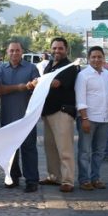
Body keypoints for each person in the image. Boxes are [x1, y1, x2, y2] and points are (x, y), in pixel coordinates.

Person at [0, 41, 40, 192]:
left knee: (29, 149)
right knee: (10, 149)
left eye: (17, 50)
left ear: (22, 52)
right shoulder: (1, 69)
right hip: (8, 116)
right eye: (11, 51)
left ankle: (31, 180)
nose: (14, 53)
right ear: (7, 52)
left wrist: (34, 85)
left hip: (27, 117)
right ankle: (12, 178)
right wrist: (20, 87)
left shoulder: (31, 68)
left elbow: (38, 87)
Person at [40, 37, 81, 193]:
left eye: (60, 48)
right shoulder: (50, 65)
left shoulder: (70, 67)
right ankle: (54, 176)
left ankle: (67, 180)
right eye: (54, 48)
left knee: (65, 149)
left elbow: (56, 83)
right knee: (50, 147)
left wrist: (39, 81)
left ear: (66, 49)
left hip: (62, 112)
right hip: (48, 112)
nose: (57, 51)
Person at [75, 46, 108, 191]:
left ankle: (95, 178)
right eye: (93, 57)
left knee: (99, 152)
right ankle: (84, 180)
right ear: (89, 59)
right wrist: (84, 118)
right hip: (88, 119)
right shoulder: (83, 75)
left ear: (103, 58)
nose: (97, 59)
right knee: (84, 152)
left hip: (103, 119)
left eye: (99, 57)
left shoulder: (107, 75)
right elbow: (80, 98)